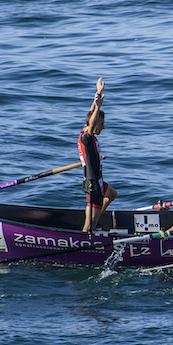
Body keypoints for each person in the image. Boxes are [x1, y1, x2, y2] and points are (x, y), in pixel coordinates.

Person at [78, 77, 117, 232]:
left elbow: (90, 117)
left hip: (99, 181)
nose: (103, 128)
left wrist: (98, 94)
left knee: (112, 194)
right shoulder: (86, 138)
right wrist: (98, 105)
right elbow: (92, 121)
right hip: (93, 183)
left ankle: (96, 222)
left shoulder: (87, 131)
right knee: (89, 225)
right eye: (101, 124)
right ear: (94, 125)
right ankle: (87, 237)